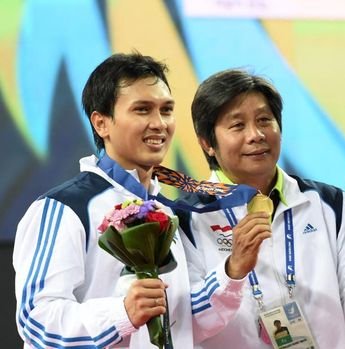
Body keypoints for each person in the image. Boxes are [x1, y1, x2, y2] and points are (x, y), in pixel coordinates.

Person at [13, 52, 234, 348]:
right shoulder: (64, 208)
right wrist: (122, 313)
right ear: (101, 123)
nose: (159, 123)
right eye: (142, 110)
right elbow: (36, 321)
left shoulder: (166, 211)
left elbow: (185, 320)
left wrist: (234, 270)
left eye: (166, 110)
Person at [179, 69, 345, 348]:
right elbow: (191, 326)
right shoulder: (187, 219)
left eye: (264, 120)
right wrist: (232, 271)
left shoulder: (329, 203)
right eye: (237, 126)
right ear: (207, 143)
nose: (256, 135)